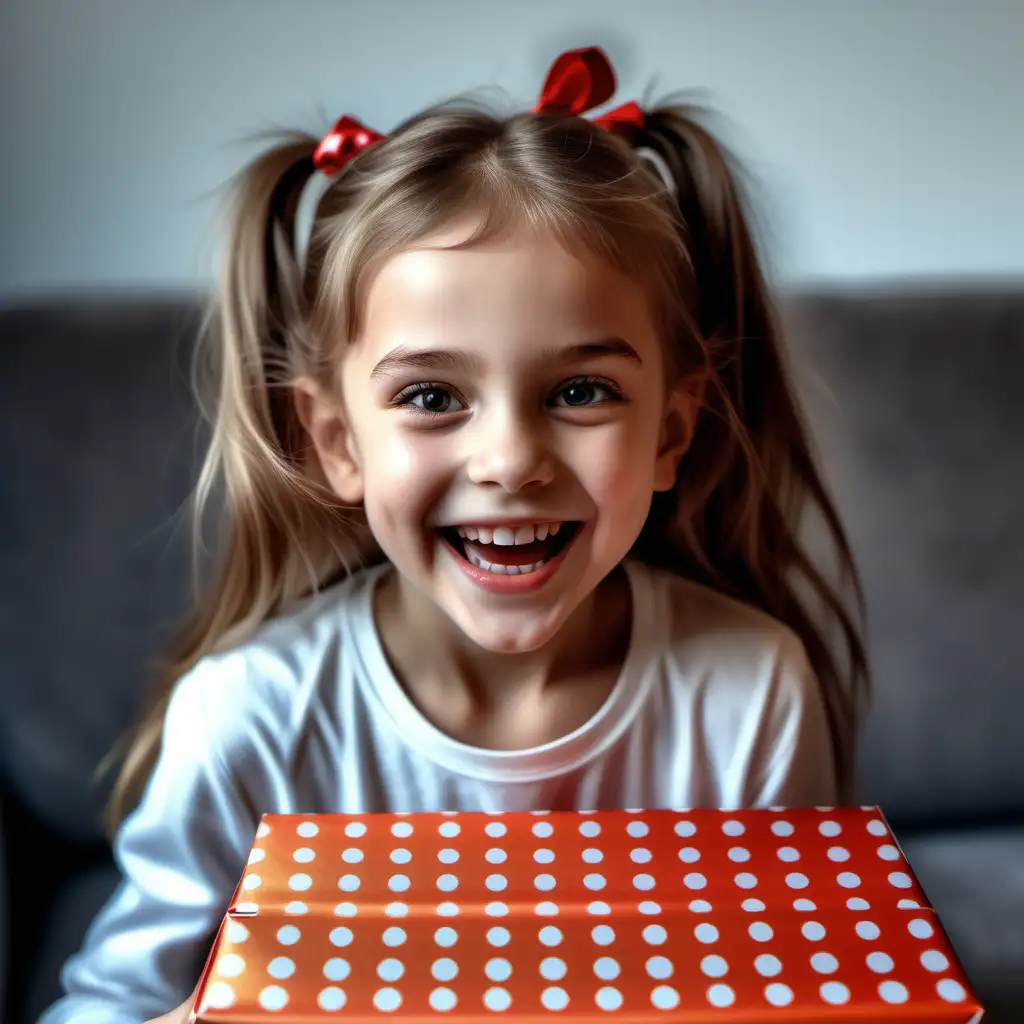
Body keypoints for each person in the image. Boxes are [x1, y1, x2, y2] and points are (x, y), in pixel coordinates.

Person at [40, 46, 866, 1024]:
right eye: (432, 397)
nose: (510, 460)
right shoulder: (246, 717)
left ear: (670, 432)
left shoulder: (751, 695)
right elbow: (106, 1002)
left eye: (580, 391)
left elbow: (804, 984)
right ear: (337, 439)